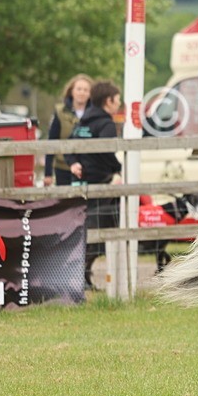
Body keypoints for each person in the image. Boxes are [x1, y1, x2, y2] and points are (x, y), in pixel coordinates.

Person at [69, 81, 123, 290]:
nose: (118, 104)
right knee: (98, 232)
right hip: (100, 183)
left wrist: (74, 161)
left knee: (83, 230)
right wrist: (119, 167)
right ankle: (83, 277)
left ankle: (80, 277)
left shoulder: (83, 122)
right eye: (117, 100)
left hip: (81, 183)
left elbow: (69, 145)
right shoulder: (107, 124)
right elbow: (106, 151)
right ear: (108, 101)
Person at [44, 74, 95, 186]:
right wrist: (47, 173)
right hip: (63, 167)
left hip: (88, 168)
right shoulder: (60, 112)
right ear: (72, 91)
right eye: (79, 89)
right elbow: (52, 141)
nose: (82, 93)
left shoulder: (95, 114)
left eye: (86, 90)